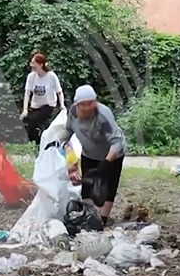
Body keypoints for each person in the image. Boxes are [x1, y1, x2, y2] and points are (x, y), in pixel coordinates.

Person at [64, 85, 126, 225]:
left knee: (108, 185)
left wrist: (107, 162)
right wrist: (70, 159)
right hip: (89, 152)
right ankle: (88, 215)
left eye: (90, 103)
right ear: (76, 104)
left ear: (95, 102)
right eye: (83, 104)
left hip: (111, 154)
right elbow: (67, 134)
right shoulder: (73, 113)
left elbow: (116, 142)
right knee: (87, 185)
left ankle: (103, 220)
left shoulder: (103, 115)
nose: (87, 108)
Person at [21, 52, 65, 146]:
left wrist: (62, 105)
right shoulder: (31, 77)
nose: (31, 65)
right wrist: (25, 109)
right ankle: (38, 143)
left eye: (34, 63)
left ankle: (42, 141)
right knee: (31, 126)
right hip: (35, 105)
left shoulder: (51, 76)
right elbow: (27, 93)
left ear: (41, 65)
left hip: (48, 105)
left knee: (35, 119)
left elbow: (59, 92)